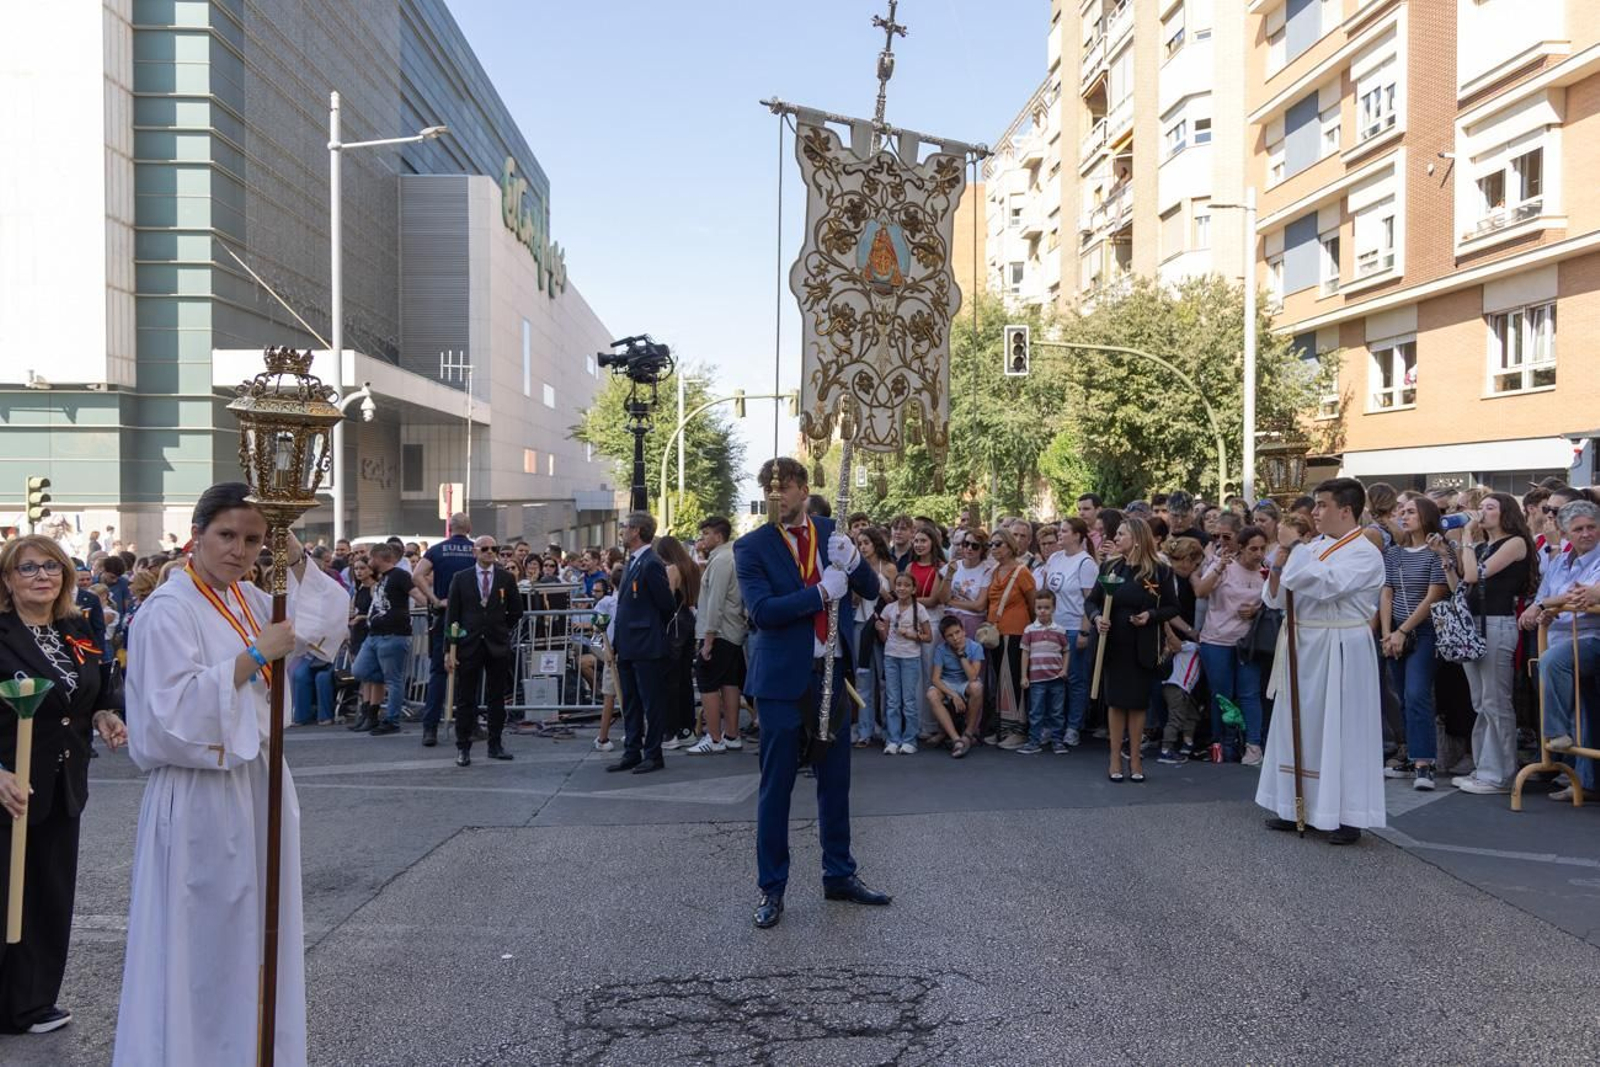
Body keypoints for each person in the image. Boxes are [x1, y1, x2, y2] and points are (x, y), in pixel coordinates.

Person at [114, 482, 348, 1065]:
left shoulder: (249, 597)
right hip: (200, 791)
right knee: (203, 940)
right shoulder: (166, 611)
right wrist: (255, 657)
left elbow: (325, 623)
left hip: (259, 780)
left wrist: (291, 549)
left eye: (253, 539)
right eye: (227, 536)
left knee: (258, 935)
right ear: (196, 536)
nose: (239, 551)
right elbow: (169, 713)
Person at [734, 457, 886, 930]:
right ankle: (771, 887)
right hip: (781, 678)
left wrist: (856, 561)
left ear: (802, 488)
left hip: (830, 671)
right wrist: (821, 593)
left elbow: (872, 589)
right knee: (776, 786)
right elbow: (763, 611)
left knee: (835, 780)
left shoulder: (831, 528)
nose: (775, 498)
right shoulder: (751, 546)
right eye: (768, 490)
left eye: (783, 489)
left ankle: (838, 873)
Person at [0, 536, 126, 1036]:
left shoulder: (76, 627)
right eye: (27, 568)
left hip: (63, 780)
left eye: (51, 566)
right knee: (4, 894)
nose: (42, 576)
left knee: (49, 893)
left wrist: (103, 713)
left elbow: (96, 684)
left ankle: (30, 1003)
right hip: (9, 783)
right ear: (8, 580)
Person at [1257, 478, 1387, 844]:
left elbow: (1328, 585)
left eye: (1321, 505)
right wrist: (1281, 565)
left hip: (1340, 642)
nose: (1314, 513)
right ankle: (1295, 804)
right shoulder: (1314, 547)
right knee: (1299, 726)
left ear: (1345, 510)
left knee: (1340, 726)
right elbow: (1280, 598)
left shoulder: (1364, 552)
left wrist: (1294, 549)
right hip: (1304, 643)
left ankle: (1345, 813)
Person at [1447, 492, 1536, 794]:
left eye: (1490, 508)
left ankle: (1500, 774)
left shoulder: (1514, 543)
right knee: (1480, 701)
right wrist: (1448, 557)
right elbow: (1460, 584)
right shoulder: (1483, 545)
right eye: (1480, 507)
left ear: (1506, 513)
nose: (1482, 513)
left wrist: (1468, 538)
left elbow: (1473, 575)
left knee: (1496, 701)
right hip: (1474, 624)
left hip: (1497, 624)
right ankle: (1484, 766)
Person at [1086, 516, 1179, 782]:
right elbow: (1092, 602)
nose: (1116, 538)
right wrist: (1096, 618)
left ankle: (1136, 758)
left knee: (1138, 704)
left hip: (1142, 645)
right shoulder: (1110, 566)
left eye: (1122, 534)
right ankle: (1115, 757)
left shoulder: (1160, 571)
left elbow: (1172, 607)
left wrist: (1150, 615)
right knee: (1115, 702)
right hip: (1113, 643)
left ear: (1137, 539)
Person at [1520, 499, 1600, 801]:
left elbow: (1579, 596)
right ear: (1566, 533)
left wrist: (1550, 605)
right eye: (1578, 529)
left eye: (1592, 527)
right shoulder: (1558, 562)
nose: (1586, 534)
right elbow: (1546, 596)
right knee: (1587, 711)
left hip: (1591, 637)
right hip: (1558, 638)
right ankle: (1586, 781)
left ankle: (1554, 735)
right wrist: (1546, 607)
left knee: (1554, 662)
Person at [1380, 496, 1450, 790]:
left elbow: (1435, 594)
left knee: (1418, 692)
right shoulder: (1393, 553)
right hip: (1395, 632)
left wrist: (1403, 631)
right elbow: (1386, 592)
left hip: (1425, 631)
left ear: (1426, 516)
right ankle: (1411, 754)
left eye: (1411, 512)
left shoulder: (1438, 551)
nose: (1404, 516)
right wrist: (1387, 632)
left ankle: (1425, 763)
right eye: (1402, 511)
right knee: (1403, 695)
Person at [444, 536, 524, 766]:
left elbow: (516, 611)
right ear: (475, 552)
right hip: (469, 644)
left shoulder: (505, 578)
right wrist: (449, 649)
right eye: (485, 549)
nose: (490, 552)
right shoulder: (461, 578)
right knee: (466, 697)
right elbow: (453, 615)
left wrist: (500, 628)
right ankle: (463, 747)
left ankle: (495, 744)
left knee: (496, 697)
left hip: (496, 644)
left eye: (494, 549)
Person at [1193, 525, 1269, 765]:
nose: (1258, 554)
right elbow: (1201, 592)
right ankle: (1225, 744)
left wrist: (1257, 611)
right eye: (1253, 549)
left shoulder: (1266, 572)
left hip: (1249, 642)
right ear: (1242, 549)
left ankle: (1253, 744)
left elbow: (1276, 603)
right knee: (1222, 695)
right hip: (1217, 640)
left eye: (1262, 548)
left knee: (1249, 693)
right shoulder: (1225, 566)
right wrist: (1218, 568)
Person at [608, 512, 676, 775]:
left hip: (646, 645)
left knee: (651, 702)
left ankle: (653, 753)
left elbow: (667, 604)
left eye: (625, 527)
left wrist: (646, 626)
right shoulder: (632, 561)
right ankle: (632, 750)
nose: (622, 531)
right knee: (631, 702)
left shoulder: (651, 563)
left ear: (636, 531)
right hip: (628, 645)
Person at [413, 513, 477, 748]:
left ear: (450, 528)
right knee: (470, 671)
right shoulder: (476, 550)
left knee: (439, 672)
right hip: (470, 617)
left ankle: (430, 729)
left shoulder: (437, 550)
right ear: (468, 527)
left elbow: (417, 575)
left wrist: (435, 599)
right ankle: (471, 724)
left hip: (444, 616)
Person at [349, 544, 423, 736]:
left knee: (393, 679)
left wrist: (433, 603)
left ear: (379, 558)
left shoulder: (399, 575)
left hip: (393, 635)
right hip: (374, 635)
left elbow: (416, 594)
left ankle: (391, 720)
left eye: (370, 559)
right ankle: (371, 714)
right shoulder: (383, 578)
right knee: (360, 670)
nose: (369, 562)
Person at [689, 516, 746, 754]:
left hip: (719, 632)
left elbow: (715, 602)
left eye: (706, 533)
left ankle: (714, 738)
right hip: (731, 631)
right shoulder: (728, 557)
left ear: (718, 536)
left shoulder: (722, 560)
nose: (702, 538)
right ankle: (731, 734)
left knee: (708, 682)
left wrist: (708, 640)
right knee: (729, 682)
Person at [1040, 517, 1098, 747]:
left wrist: (1085, 631)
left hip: (1074, 627)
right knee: (1052, 679)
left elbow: (1090, 601)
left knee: (1075, 678)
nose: (1060, 534)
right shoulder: (1055, 558)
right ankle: (1052, 724)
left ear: (1077, 535)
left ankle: (1073, 726)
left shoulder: (1086, 564)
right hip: (1053, 627)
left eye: (1064, 531)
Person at [850, 527, 897, 748]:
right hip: (861, 624)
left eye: (866, 542)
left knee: (884, 680)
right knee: (863, 678)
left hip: (881, 626)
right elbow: (853, 601)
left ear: (876, 543)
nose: (863, 547)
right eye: (859, 544)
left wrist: (878, 588)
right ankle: (864, 730)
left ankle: (889, 729)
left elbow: (896, 600)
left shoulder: (888, 568)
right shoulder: (856, 569)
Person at [653, 535, 701, 750]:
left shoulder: (672, 569)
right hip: (688, 623)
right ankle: (686, 729)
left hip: (674, 626)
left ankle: (670, 731)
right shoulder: (692, 567)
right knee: (684, 680)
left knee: (670, 681)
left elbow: (667, 600)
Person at [877, 571, 931, 754]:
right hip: (891, 656)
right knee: (892, 700)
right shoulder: (889, 609)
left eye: (906, 585)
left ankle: (910, 739)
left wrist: (913, 635)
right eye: (898, 584)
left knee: (908, 700)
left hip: (910, 658)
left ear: (914, 589)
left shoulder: (920, 609)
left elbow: (929, 636)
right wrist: (880, 629)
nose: (902, 588)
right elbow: (885, 637)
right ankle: (893, 739)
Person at [1019, 590, 1070, 755]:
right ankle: (1034, 741)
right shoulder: (1029, 630)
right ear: (1034, 608)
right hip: (1036, 679)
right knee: (1036, 712)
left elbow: (1066, 651)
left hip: (1056, 678)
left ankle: (1057, 741)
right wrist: (1024, 675)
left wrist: (1064, 669)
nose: (1042, 611)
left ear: (1053, 608)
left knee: (1057, 712)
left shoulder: (1060, 630)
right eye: (1039, 607)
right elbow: (1025, 652)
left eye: (1046, 607)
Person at [926, 616, 984, 757]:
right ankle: (955, 739)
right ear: (945, 638)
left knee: (976, 687)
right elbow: (935, 679)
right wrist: (953, 694)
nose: (956, 638)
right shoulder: (941, 649)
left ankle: (968, 734)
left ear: (964, 631)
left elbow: (972, 677)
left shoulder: (975, 647)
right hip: (948, 683)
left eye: (957, 632)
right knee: (932, 694)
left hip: (965, 682)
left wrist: (962, 656)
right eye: (950, 636)